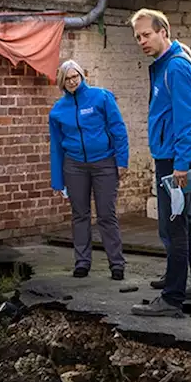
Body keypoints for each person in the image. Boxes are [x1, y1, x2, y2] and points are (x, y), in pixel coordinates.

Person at [129, 9, 191, 317]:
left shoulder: (176, 67)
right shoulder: (165, 65)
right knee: (187, 226)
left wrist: (180, 165)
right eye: (138, 37)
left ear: (163, 31)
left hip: (177, 160)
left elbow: (186, 119)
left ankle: (172, 298)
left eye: (146, 34)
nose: (141, 41)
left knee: (176, 226)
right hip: (171, 156)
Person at [48, 59, 130, 279]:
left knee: (106, 214)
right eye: (68, 79)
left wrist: (121, 161)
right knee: (80, 215)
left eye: (76, 76)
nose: (73, 81)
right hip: (74, 166)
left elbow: (118, 129)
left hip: (104, 163)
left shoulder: (101, 97)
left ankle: (116, 264)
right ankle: (82, 262)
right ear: (62, 83)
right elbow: (56, 147)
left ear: (82, 76)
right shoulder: (57, 111)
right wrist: (57, 180)